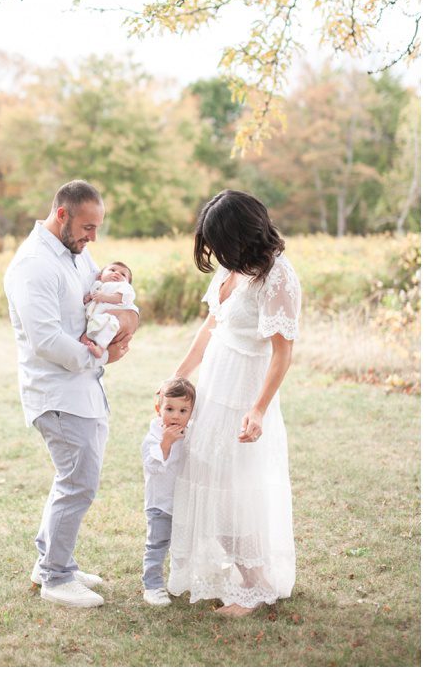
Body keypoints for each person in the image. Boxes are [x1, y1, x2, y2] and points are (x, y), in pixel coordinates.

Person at [3, 180, 139, 608]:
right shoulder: (32, 265)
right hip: (57, 393)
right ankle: (56, 579)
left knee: (76, 480)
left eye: (97, 228)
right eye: (87, 226)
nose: (93, 237)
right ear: (62, 214)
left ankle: (51, 560)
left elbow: (97, 299)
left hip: (82, 390)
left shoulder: (75, 252)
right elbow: (45, 339)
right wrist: (100, 360)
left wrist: (124, 319)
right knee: (78, 482)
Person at [167, 190, 301, 617]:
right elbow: (211, 325)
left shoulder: (278, 277)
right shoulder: (231, 267)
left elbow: (282, 353)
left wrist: (258, 409)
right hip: (214, 385)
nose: (215, 251)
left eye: (220, 241)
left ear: (242, 233)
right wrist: (178, 375)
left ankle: (257, 584)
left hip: (245, 391)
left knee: (235, 492)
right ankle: (244, 573)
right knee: (205, 475)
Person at [141, 377, 196, 607]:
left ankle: (183, 578)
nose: (176, 416)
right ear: (158, 409)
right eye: (170, 409)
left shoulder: (191, 433)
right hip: (161, 503)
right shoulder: (154, 435)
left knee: (184, 543)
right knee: (157, 544)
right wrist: (166, 443)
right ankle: (152, 585)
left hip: (184, 501)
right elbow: (152, 466)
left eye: (183, 410)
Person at [81, 262, 136, 354]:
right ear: (100, 276)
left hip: (110, 318)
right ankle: (87, 351)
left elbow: (120, 298)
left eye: (123, 274)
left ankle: (101, 348)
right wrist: (89, 298)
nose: (117, 273)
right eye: (112, 270)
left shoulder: (123, 287)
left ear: (128, 283)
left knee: (107, 330)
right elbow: (93, 296)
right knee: (85, 338)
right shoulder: (98, 285)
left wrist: (105, 297)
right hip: (95, 319)